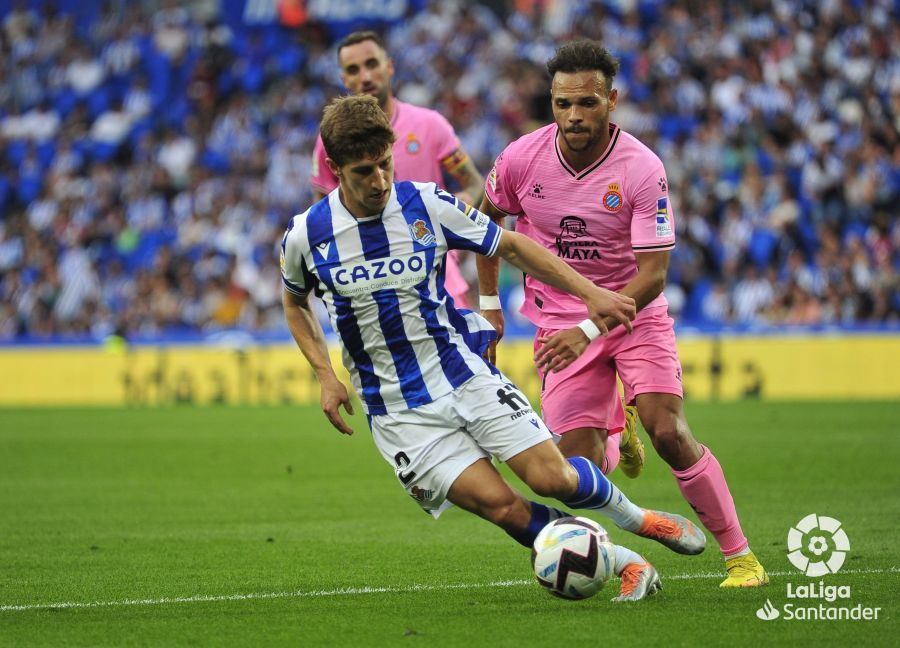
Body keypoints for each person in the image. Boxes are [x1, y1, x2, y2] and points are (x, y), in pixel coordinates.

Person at [282, 95, 706, 601]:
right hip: (397, 411)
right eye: (363, 172)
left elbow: (511, 245)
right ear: (334, 169)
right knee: (502, 507)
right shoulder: (307, 235)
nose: (379, 182)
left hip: (462, 374)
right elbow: (294, 302)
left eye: (385, 164)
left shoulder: (425, 204)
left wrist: (590, 293)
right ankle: (624, 562)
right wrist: (325, 374)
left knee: (554, 478)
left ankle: (642, 521)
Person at [476, 40, 768, 588]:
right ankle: (617, 490)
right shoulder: (520, 158)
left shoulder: (641, 168)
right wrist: (490, 306)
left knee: (670, 432)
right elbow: (484, 228)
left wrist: (589, 329)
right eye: (562, 104)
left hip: (633, 313)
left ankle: (741, 556)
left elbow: (654, 274)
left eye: (586, 103)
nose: (573, 116)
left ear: (611, 100)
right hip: (560, 323)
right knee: (571, 468)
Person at [310, 30, 482, 307]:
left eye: (372, 64)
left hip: (438, 275)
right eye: (354, 70)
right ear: (344, 80)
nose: (365, 76)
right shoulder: (330, 142)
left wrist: (461, 203)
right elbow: (320, 214)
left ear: (389, 66)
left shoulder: (430, 125)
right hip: (372, 287)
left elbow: (475, 184)